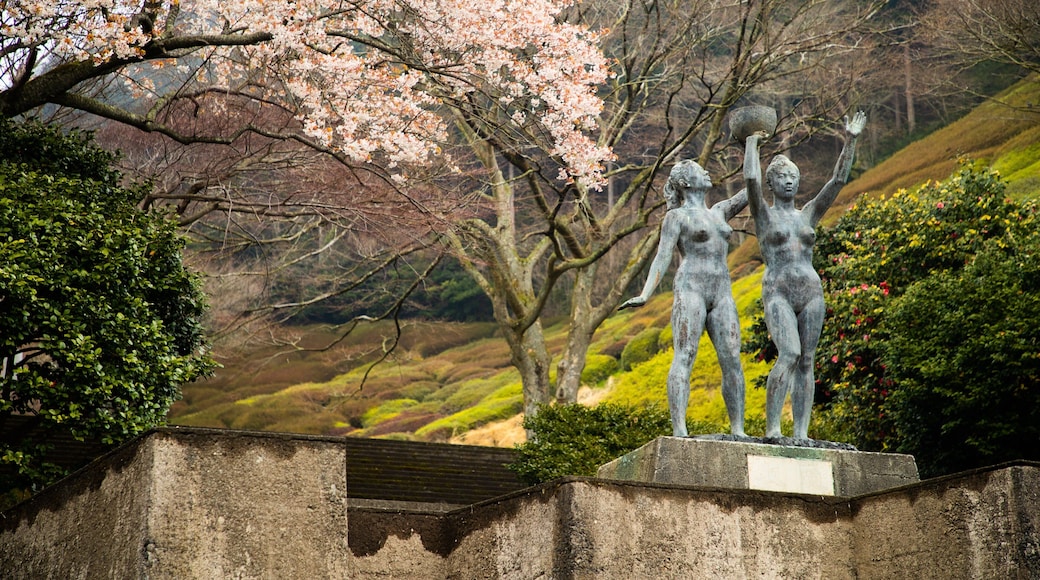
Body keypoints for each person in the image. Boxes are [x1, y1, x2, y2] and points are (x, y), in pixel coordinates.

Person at [743, 111, 867, 439]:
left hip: (811, 291)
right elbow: (751, 182)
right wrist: (752, 145)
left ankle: (800, 433)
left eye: (793, 176)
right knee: (790, 353)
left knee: (808, 360)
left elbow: (837, 182)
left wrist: (850, 140)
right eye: (782, 176)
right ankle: (772, 429)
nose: (789, 181)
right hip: (779, 290)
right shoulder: (764, 216)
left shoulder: (808, 214)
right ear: (772, 183)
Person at [620, 160, 748, 437]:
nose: (706, 170)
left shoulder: (720, 211)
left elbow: (751, 186)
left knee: (732, 359)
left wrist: (752, 144)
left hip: (722, 291)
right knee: (685, 355)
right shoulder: (676, 217)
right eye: (699, 169)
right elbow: (663, 255)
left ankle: (738, 429)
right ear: (686, 182)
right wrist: (645, 294)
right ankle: (679, 429)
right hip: (691, 288)